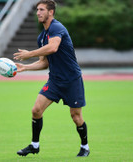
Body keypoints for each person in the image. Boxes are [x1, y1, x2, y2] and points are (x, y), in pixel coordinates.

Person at [13, 0, 89, 157]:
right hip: (54, 81)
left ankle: (85, 146)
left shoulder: (57, 27)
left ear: (51, 12)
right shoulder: (42, 37)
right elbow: (44, 63)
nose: (38, 12)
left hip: (72, 80)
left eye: (41, 10)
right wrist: (25, 67)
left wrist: (28, 54)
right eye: (37, 10)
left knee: (76, 117)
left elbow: (53, 47)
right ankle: (35, 145)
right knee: (36, 110)